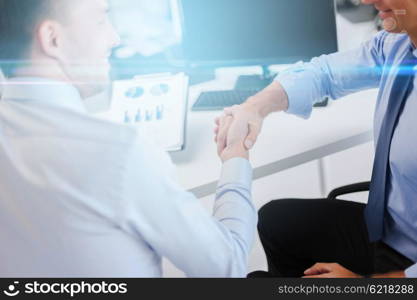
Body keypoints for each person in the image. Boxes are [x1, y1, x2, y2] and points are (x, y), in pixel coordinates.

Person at [0, 0, 256, 277]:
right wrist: (235, 158)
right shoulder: (115, 152)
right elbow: (226, 268)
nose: (114, 38)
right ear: (53, 39)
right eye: (100, 20)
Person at [215, 0, 417, 278]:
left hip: (409, 262)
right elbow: (325, 73)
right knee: (276, 220)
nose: (365, 1)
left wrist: (367, 283)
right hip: (394, 227)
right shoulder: (398, 45)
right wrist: (255, 108)